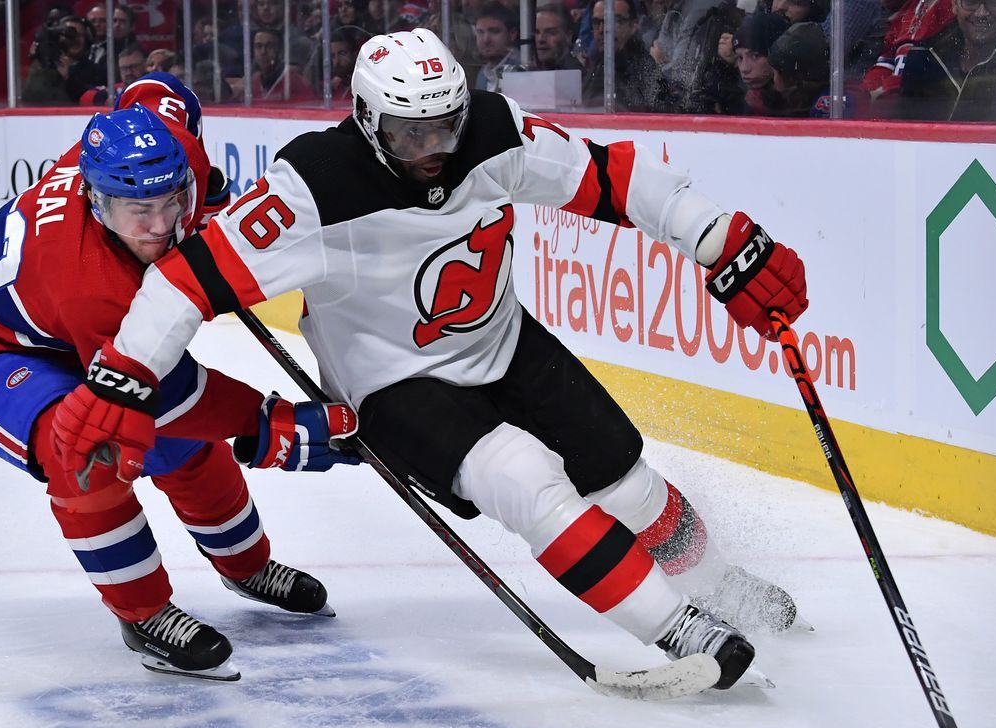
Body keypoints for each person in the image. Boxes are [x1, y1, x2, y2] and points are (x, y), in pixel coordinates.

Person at [58, 30, 810, 692]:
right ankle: (680, 629)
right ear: (365, 120)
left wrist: (721, 238)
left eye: (444, 127)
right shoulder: (311, 187)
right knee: (522, 478)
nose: (434, 152)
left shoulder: (493, 129)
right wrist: (122, 381)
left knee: (629, 485)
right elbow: (185, 281)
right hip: (393, 384)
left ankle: (718, 586)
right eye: (409, 135)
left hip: (504, 343)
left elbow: (613, 178)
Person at [0, 73, 358, 681]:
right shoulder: (91, 286)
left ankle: (246, 566)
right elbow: (170, 397)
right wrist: (268, 422)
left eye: (170, 202)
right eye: (138, 212)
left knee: (186, 449)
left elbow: (155, 91)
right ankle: (144, 614)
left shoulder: (164, 153)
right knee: (88, 448)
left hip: (67, 335)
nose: (159, 225)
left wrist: (202, 199)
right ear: (98, 202)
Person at [892, 0, 996, 121]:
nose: (981, 13)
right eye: (971, 2)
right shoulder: (923, 58)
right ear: (954, 5)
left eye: (994, 2)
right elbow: (905, 132)